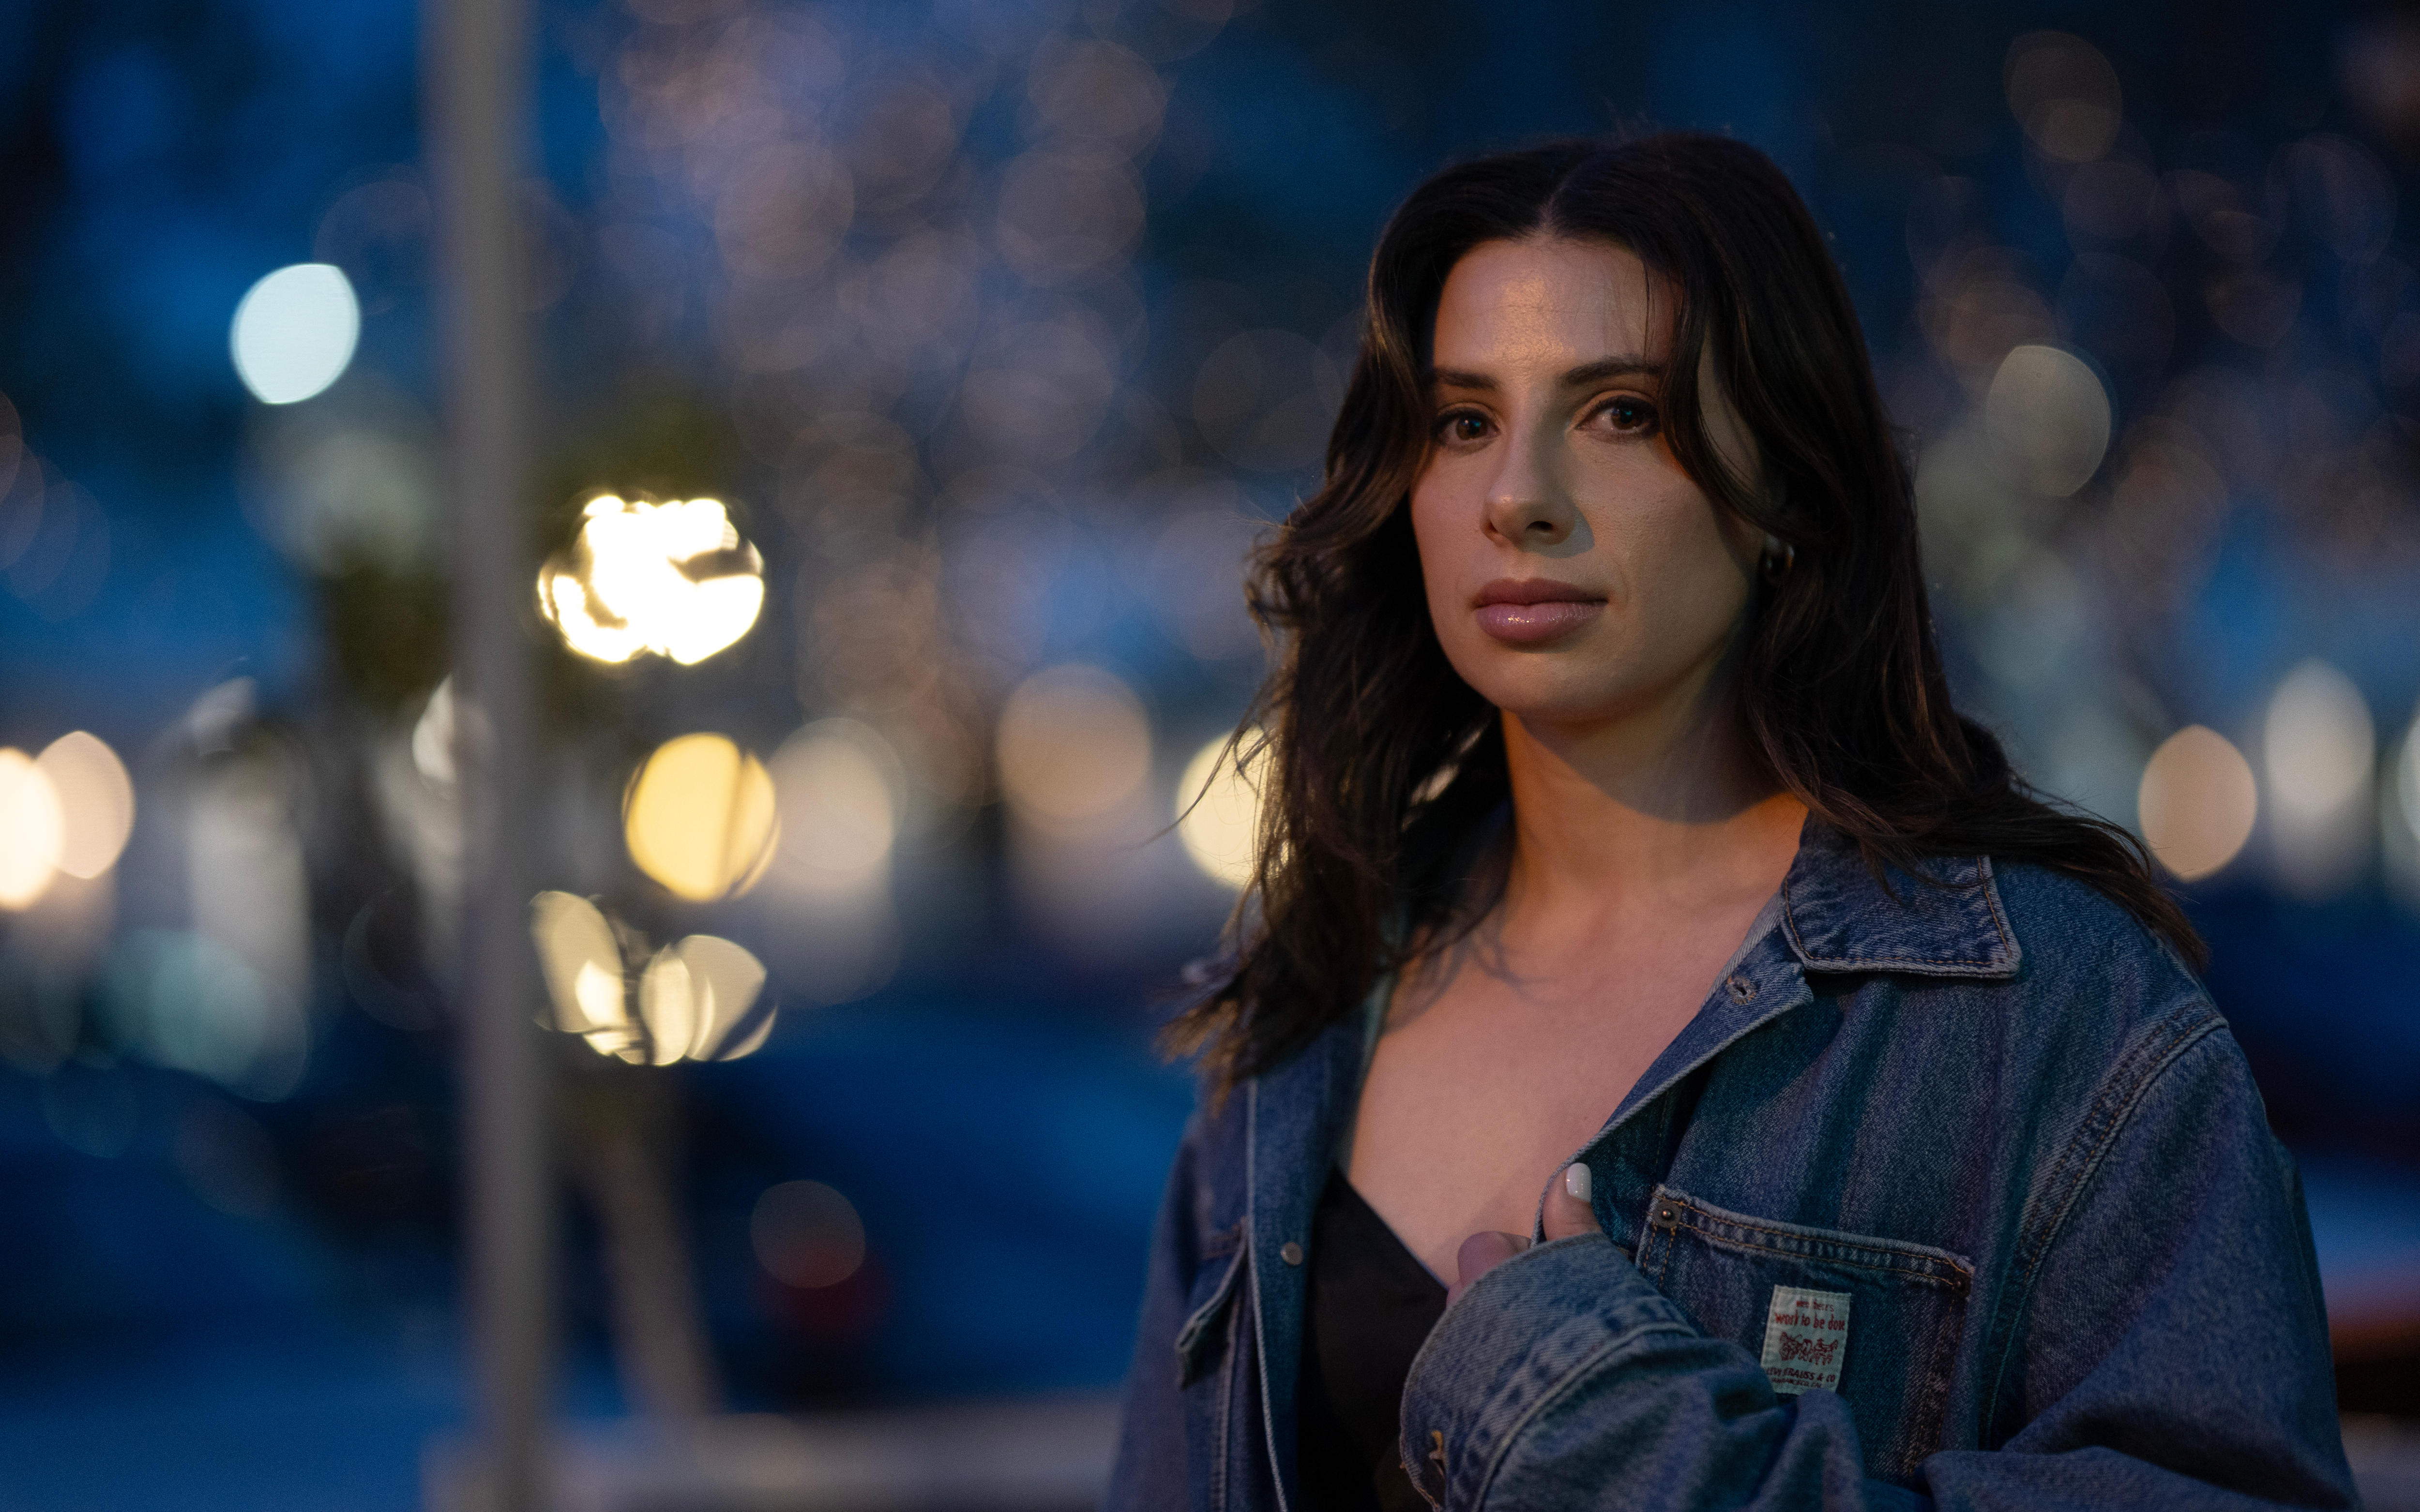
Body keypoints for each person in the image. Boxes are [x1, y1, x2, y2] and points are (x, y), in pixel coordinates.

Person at [1105, 134, 2356, 1510]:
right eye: (1465, 422)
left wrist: (1638, 1450)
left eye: (1621, 413)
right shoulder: (1314, 1001)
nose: (1519, 497)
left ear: (1784, 490)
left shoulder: (2055, 1021)